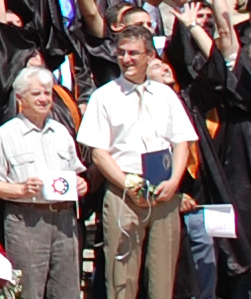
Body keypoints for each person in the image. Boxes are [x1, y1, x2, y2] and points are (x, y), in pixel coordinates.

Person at [76, 26, 195, 299]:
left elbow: (181, 143)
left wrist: (174, 181)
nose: (127, 59)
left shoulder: (166, 95)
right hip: (123, 190)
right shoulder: (104, 97)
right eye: (121, 53)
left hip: (164, 189)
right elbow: (98, 153)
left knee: (163, 278)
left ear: (150, 55)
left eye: (134, 53)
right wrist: (127, 183)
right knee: (121, 279)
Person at [0, 69, 84, 299]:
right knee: (27, 291)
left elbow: (76, 172)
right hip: (26, 220)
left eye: (47, 93)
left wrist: (81, 184)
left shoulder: (62, 132)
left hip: (64, 221)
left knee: (67, 291)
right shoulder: (5, 134)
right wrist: (20, 189)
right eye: (36, 93)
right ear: (20, 98)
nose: (44, 98)